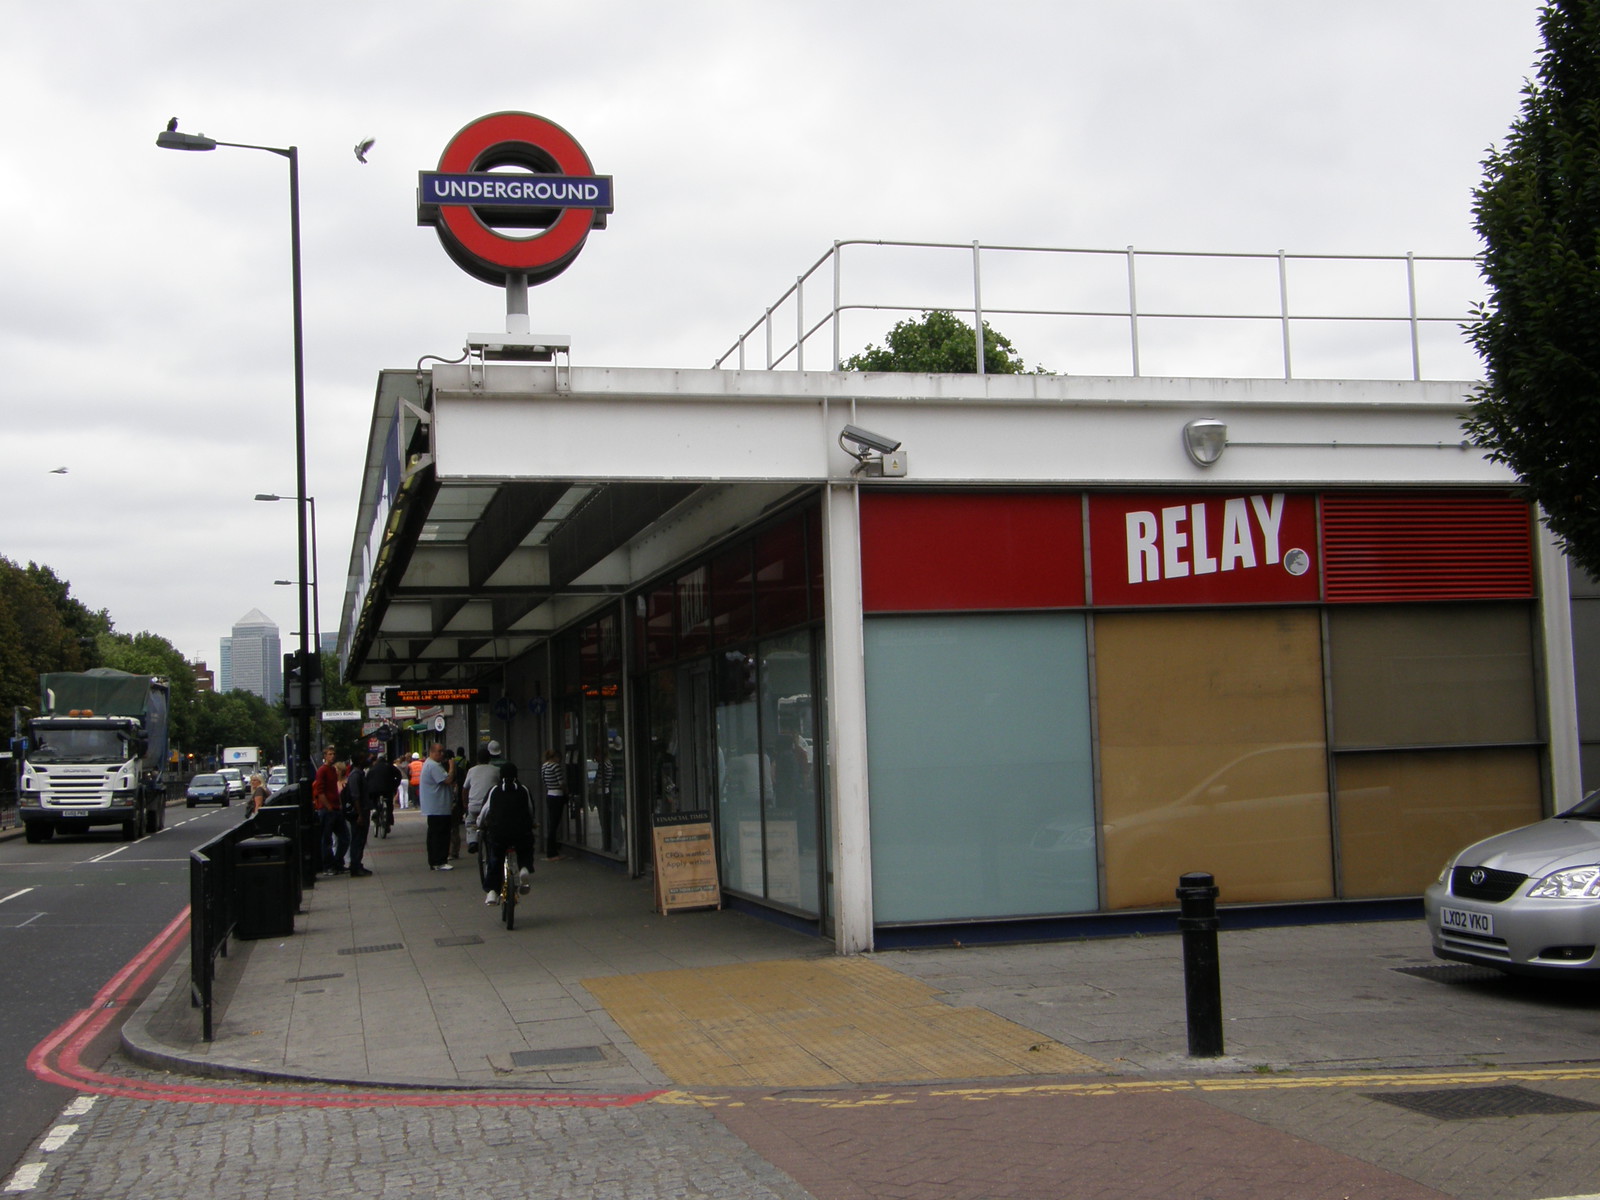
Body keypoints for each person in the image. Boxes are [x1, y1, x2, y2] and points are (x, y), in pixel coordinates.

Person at [478, 761, 535, 904]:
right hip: (521, 832)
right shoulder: (523, 789)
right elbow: (530, 810)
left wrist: (479, 824)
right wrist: (531, 824)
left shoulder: (494, 790)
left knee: (495, 858)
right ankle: (524, 868)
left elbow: (485, 811)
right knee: (525, 849)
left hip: (499, 833)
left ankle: (492, 892)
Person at [462, 742, 503, 886]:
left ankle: (472, 841)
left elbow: (465, 789)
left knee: (470, 821)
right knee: (492, 827)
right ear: (489, 758)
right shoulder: (496, 770)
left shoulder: (471, 771)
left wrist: (465, 804)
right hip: (490, 806)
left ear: (477, 759)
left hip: (474, 805)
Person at [419, 742, 456, 870]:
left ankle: (436, 861)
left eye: (443, 751)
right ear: (432, 752)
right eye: (439, 751)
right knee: (440, 835)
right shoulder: (433, 766)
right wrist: (452, 767)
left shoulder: (431, 764)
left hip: (437, 807)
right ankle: (439, 861)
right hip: (438, 807)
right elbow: (448, 780)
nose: (442, 754)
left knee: (436, 834)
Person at [311, 746, 347, 876]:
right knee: (327, 839)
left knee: (344, 838)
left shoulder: (332, 770)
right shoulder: (322, 770)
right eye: (330, 754)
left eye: (334, 754)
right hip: (327, 809)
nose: (332, 756)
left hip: (336, 808)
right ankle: (328, 866)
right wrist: (328, 806)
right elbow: (320, 791)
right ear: (325, 756)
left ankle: (337, 863)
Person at [344, 751, 373, 877]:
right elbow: (355, 796)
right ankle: (355, 866)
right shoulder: (355, 775)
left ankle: (357, 864)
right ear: (359, 761)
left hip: (364, 811)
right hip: (359, 813)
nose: (366, 759)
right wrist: (360, 814)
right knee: (358, 839)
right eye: (364, 758)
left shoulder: (359, 774)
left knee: (361, 839)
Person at [540, 749, 567, 860]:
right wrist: (566, 791)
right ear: (556, 757)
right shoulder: (555, 766)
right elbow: (561, 782)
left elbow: (544, 780)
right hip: (557, 795)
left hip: (550, 794)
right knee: (554, 824)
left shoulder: (544, 766)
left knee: (552, 822)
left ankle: (551, 850)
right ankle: (552, 852)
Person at [367, 752, 400, 832]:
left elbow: (367, 779)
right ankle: (388, 822)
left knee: (374, 800)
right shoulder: (389, 766)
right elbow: (399, 775)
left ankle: (375, 810)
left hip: (375, 790)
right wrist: (395, 785)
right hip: (387, 789)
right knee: (389, 805)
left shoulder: (373, 767)